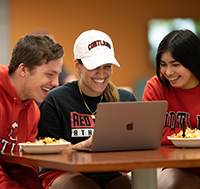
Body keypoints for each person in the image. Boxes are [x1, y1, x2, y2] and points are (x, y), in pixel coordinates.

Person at [37, 29, 137, 189]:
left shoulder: (126, 99)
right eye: (95, 66)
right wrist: (85, 145)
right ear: (77, 65)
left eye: (107, 66)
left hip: (110, 172)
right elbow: (47, 154)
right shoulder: (56, 99)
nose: (102, 73)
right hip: (62, 172)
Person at [0, 34, 64, 188]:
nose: (56, 83)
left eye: (57, 75)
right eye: (49, 74)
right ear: (23, 69)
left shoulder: (33, 111)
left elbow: (22, 165)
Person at [142, 29, 200, 189]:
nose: (168, 72)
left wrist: (169, 132)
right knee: (168, 182)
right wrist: (189, 136)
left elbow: (159, 133)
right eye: (163, 65)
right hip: (180, 169)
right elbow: (149, 133)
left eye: (175, 65)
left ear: (193, 61)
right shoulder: (155, 87)